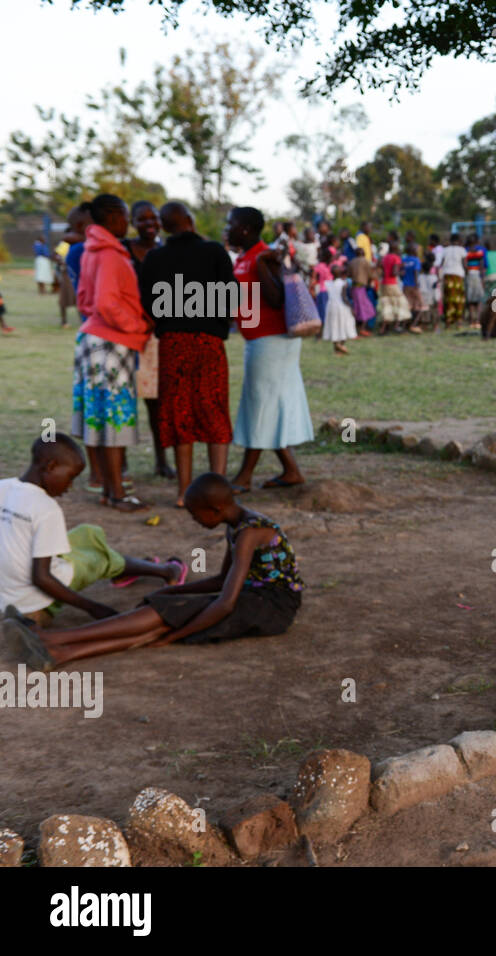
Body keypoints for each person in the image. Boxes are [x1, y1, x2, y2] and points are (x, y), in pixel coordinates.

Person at [6, 473, 303, 670]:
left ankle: (56, 640)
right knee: (169, 610)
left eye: (194, 514)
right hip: (256, 598)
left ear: (214, 509)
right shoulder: (238, 525)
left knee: (170, 619)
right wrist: (174, 589)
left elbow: (225, 602)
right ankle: (61, 653)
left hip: (273, 608)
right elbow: (223, 581)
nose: (194, 520)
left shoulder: (250, 532)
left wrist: (180, 634)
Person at [0, 434, 182, 633]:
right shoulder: (46, 508)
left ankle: (133, 569)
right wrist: (93, 608)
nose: (69, 487)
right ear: (50, 466)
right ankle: (165, 570)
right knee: (99, 558)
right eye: (70, 478)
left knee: (88, 533)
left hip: (4, 598)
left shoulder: (3, 487)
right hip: (32, 607)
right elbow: (41, 578)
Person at [139, 201, 237, 509]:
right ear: (191, 221)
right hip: (208, 342)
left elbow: (148, 303)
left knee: (180, 412)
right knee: (213, 410)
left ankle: (184, 492)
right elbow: (230, 298)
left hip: (173, 344)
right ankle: (218, 490)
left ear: (165, 227)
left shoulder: (155, 258)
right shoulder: (214, 253)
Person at [225, 206, 314, 491]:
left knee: (260, 404)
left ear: (246, 229)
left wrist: (267, 268)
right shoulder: (244, 258)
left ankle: (244, 476)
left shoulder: (264, 256)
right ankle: (291, 470)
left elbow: (276, 299)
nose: (227, 230)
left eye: (231, 225)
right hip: (259, 339)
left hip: (272, 340)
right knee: (269, 403)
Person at [74, 193, 151, 512]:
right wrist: (136, 326)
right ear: (109, 217)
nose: (128, 222)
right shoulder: (109, 254)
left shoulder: (91, 250)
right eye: (122, 215)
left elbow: (84, 300)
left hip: (91, 339)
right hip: (111, 344)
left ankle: (108, 489)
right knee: (116, 417)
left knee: (99, 417)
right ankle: (118, 493)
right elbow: (107, 302)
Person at [123, 200, 173, 480]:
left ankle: (161, 459)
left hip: (159, 334)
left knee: (157, 402)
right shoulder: (124, 250)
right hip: (128, 333)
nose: (149, 224)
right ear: (132, 222)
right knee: (125, 398)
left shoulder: (166, 250)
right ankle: (123, 459)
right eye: (142, 219)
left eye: (153, 218)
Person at [376, 240, 413, 334]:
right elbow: (394, 272)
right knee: (401, 303)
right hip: (392, 284)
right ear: (396, 249)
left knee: (387, 305)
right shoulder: (396, 258)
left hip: (384, 284)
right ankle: (397, 326)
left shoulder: (385, 258)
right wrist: (401, 271)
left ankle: (383, 329)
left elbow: (383, 271)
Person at [322, 262, 356, 354]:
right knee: (343, 325)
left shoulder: (328, 283)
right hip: (341, 306)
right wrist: (351, 307)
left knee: (334, 325)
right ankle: (340, 345)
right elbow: (344, 297)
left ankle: (337, 348)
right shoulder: (343, 283)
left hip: (331, 306)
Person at [346, 244, 376, 336]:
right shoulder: (365, 261)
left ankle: (358, 328)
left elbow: (349, 275)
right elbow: (371, 275)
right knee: (364, 308)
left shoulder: (352, 262)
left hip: (354, 288)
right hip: (361, 288)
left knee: (358, 308)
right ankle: (361, 329)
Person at [440, 234, 467, 328]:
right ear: (459, 240)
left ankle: (448, 321)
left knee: (448, 298)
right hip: (458, 276)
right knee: (459, 298)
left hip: (447, 275)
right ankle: (459, 321)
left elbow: (441, 264)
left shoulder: (445, 250)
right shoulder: (462, 250)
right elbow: (464, 264)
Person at [401, 242, 429, 330]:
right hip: (414, 286)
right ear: (413, 250)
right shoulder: (416, 260)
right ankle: (413, 324)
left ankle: (405, 325)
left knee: (408, 306)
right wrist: (416, 284)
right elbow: (416, 272)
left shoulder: (404, 260)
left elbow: (401, 273)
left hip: (405, 286)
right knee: (421, 306)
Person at [464, 233, 486, 328]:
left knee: (470, 300)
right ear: (476, 242)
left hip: (468, 276)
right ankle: (478, 320)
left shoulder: (465, 252)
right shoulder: (480, 252)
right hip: (477, 276)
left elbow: (465, 265)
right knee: (479, 299)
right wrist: (483, 279)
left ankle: (471, 320)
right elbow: (481, 267)